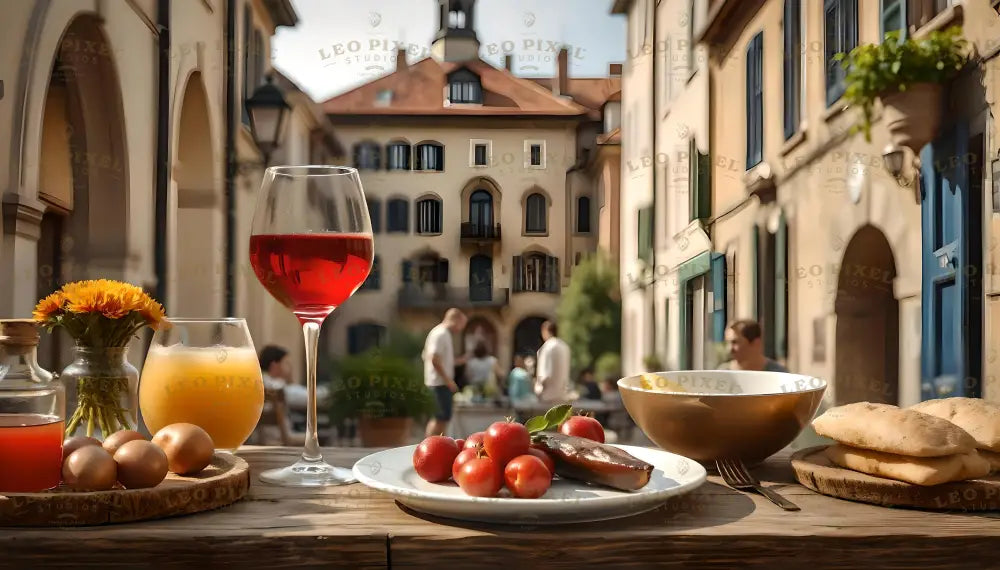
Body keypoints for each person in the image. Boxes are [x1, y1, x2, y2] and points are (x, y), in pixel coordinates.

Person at [422, 308, 468, 437]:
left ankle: (437, 446)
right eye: (462, 325)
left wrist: (460, 361)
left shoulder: (442, 333)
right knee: (439, 419)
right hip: (439, 384)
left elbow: (435, 358)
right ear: (456, 320)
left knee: (441, 419)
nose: (461, 329)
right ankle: (432, 447)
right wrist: (448, 381)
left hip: (439, 383)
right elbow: (434, 359)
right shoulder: (441, 333)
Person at [259, 345, 329, 413]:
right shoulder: (276, 387)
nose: (290, 367)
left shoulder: (262, 383)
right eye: (286, 363)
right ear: (274, 366)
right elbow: (312, 397)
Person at [717, 319, 789, 372]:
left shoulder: (778, 375)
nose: (729, 349)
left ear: (756, 343)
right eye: (727, 343)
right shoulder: (722, 374)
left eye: (735, 342)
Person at [535, 320, 570, 403]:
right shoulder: (564, 346)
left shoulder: (547, 347)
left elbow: (544, 373)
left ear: (545, 331)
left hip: (547, 395)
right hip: (562, 394)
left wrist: (538, 389)